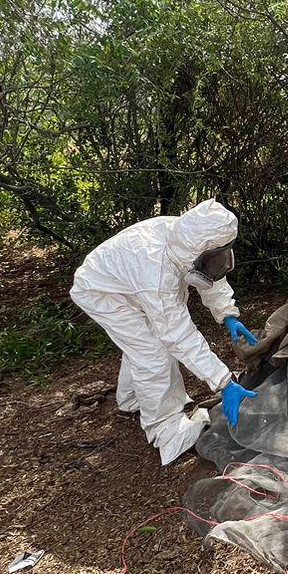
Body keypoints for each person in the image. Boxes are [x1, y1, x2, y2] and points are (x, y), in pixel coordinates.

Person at [70, 199, 260, 466]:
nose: (220, 260)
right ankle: (167, 432)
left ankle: (131, 399)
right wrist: (224, 382)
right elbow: (180, 337)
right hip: (100, 291)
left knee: (142, 343)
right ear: (194, 254)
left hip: (125, 280)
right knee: (153, 352)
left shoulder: (192, 238)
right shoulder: (157, 273)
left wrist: (227, 313)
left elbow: (212, 275)